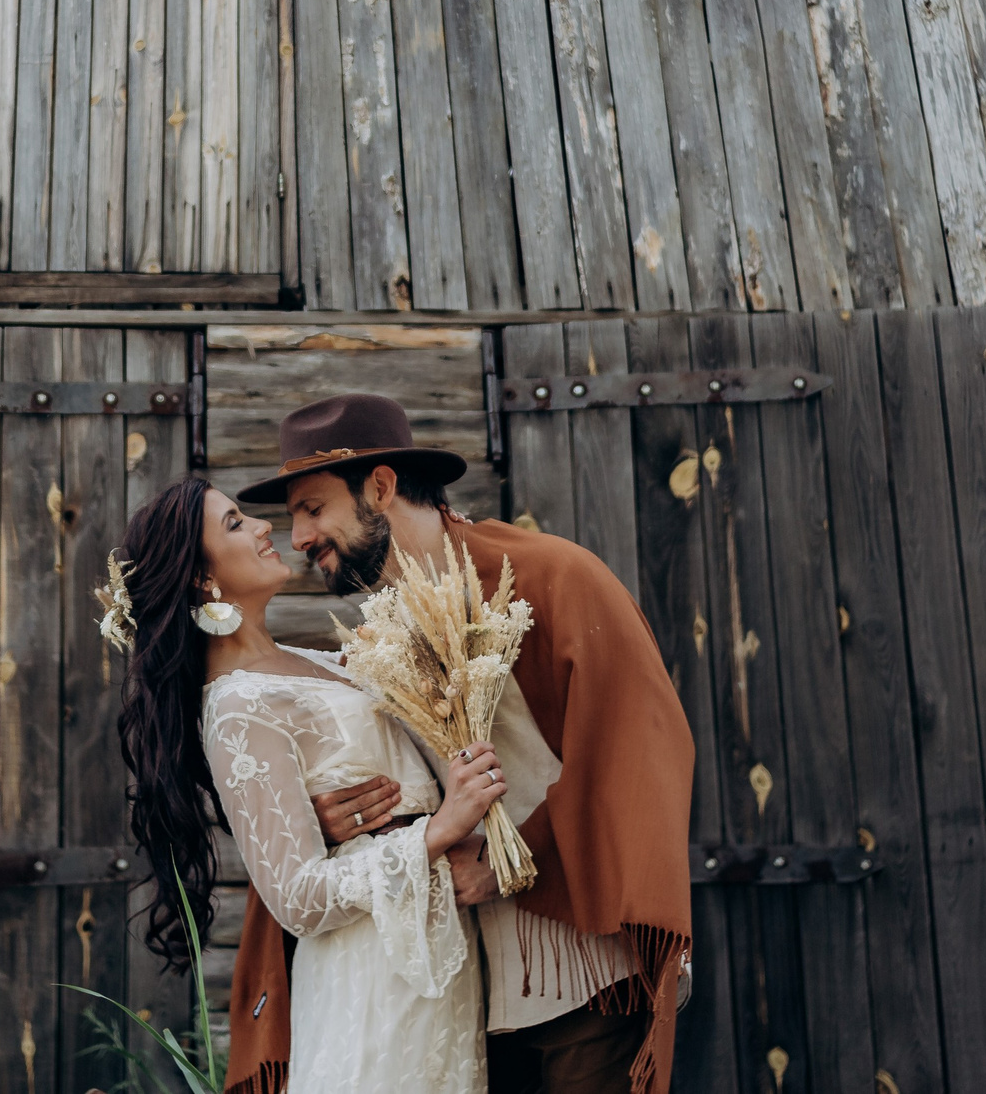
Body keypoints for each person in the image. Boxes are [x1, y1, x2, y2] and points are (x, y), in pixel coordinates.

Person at [226, 393, 695, 1094]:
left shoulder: (554, 578)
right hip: (465, 1004)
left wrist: (516, 861)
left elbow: (642, 754)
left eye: (313, 508)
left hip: (584, 977)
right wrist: (326, 822)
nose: (298, 537)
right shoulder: (368, 647)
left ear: (380, 488)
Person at [106, 472, 507, 1093]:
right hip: (371, 977)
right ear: (199, 576)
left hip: (438, 955)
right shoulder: (240, 706)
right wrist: (437, 832)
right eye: (235, 524)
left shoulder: (321, 662)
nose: (267, 527)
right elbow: (297, 899)